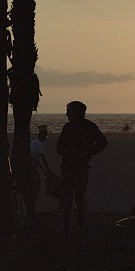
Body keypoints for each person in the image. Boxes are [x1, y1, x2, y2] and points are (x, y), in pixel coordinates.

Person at [56, 101, 108, 242]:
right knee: (72, 199)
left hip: (78, 168)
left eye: (69, 111)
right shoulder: (73, 127)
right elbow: (58, 147)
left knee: (74, 199)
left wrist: (88, 153)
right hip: (71, 167)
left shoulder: (85, 127)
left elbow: (103, 142)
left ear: (75, 112)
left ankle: (76, 229)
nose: (66, 114)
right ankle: (71, 230)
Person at [25, 124, 50, 217]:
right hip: (31, 168)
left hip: (31, 167)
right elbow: (42, 158)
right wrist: (47, 169)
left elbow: (36, 159)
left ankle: (30, 209)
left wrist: (44, 170)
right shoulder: (39, 144)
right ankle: (31, 209)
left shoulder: (34, 142)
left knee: (33, 187)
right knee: (35, 188)